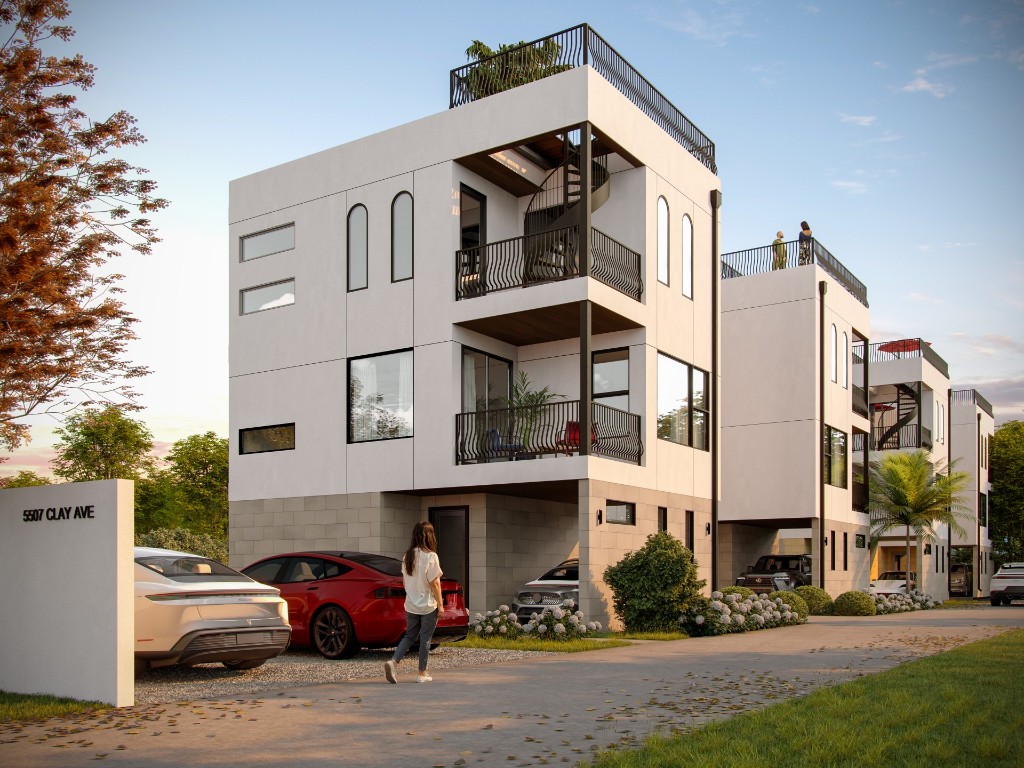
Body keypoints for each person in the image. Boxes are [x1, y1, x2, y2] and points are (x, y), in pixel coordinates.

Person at [385, 521, 444, 683]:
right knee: (425, 639)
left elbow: (405, 583)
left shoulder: (407, 556)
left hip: (410, 604)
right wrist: (441, 605)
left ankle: (393, 661)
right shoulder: (431, 556)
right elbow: (435, 583)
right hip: (427, 605)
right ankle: (422, 674)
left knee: (409, 636)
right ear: (429, 536)